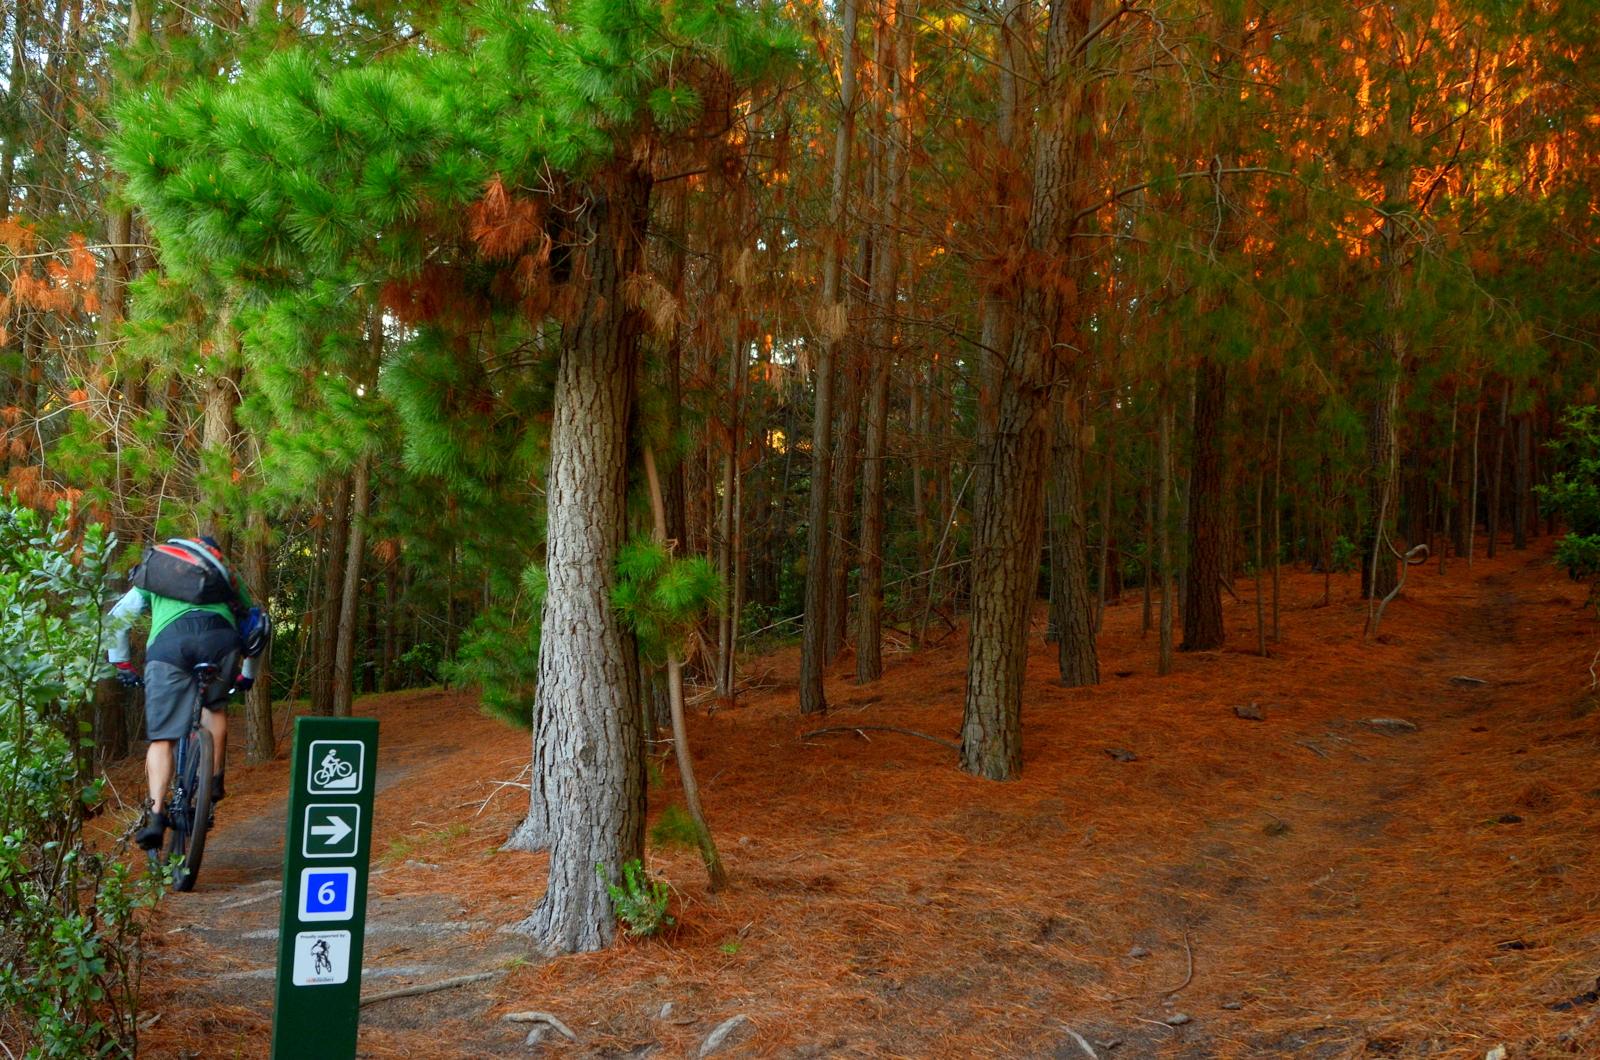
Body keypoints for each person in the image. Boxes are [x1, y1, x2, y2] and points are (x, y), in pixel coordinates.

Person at [108, 535, 259, 850]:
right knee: (214, 708)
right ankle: (213, 783)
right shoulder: (225, 572)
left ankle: (156, 817)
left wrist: (121, 663)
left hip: (170, 648)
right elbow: (256, 624)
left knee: (162, 738)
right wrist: (247, 676)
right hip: (220, 642)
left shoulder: (159, 569)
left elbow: (118, 618)